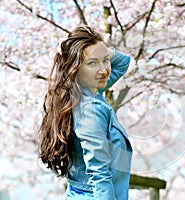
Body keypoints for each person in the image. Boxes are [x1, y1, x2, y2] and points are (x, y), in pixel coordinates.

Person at [38, 25, 132, 200]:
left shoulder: (82, 92)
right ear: (76, 69)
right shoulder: (90, 109)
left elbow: (123, 63)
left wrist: (99, 49)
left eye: (105, 60)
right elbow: (99, 175)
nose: (104, 70)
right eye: (92, 63)